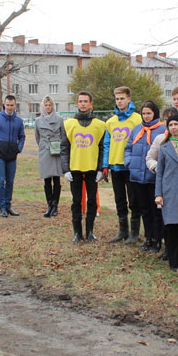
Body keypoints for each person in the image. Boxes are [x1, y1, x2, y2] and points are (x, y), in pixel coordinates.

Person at [61, 92, 107, 243]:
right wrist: (65, 169)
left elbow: (102, 148)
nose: (83, 104)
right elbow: (64, 148)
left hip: (92, 169)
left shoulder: (100, 125)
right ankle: (77, 233)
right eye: (80, 101)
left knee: (92, 201)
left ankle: (90, 231)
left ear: (90, 103)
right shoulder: (68, 124)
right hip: (75, 168)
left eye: (85, 101)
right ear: (77, 103)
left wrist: (101, 169)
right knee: (76, 201)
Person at [154, 114, 178, 271]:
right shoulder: (164, 148)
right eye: (170, 125)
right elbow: (160, 173)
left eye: (176, 124)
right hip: (169, 192)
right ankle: (174, 262)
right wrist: (159, 194)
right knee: (171, 229)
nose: (173, 127)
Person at [104, 87, 143, 242]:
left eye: (122, 98)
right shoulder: (110, 122)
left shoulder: (137, 119)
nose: (119, 101)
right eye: (117, 99)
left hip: (131, 166)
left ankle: (134, 233)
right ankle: (123, 231)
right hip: (115, 166)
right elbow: (107, 144)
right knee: (120, 200)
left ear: (129, 99)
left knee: (134, 199)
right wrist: (105, 165)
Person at [126, 101, 165, 252]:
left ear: (155, 113)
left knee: (156, 211)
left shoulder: (162, 130)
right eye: (144, 113)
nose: (146, 116)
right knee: (144, 210)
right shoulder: (137, 129)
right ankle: (148, 237)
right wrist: (129, 163)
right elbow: (128, 148)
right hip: (137, 176)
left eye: (149, 113)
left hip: (154, 177)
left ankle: (157, 239)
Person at [0, 95, 25, 217]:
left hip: (12, 156)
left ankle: (8, 206)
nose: (9, 107)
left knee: (10, 181)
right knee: (1, 181)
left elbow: (22, 136)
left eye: (12, 105)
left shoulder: (18, 121)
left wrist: (18, 149)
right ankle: (2, 207)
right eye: (7, 105)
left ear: (15, 105)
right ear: (4, 104)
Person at [35, 96, 64, 217]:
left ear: (53, 106)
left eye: (50, 105)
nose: (48, 107)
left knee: (56, 179)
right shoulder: (38, 121)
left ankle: (55, 206)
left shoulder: (59, 119)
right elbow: (37, 137)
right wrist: (43, 146)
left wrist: (57, 145)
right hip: (45, 150)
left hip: (56, 150)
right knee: (47, 179)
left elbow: (63, 136)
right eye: (46, 105)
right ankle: (49, 205)